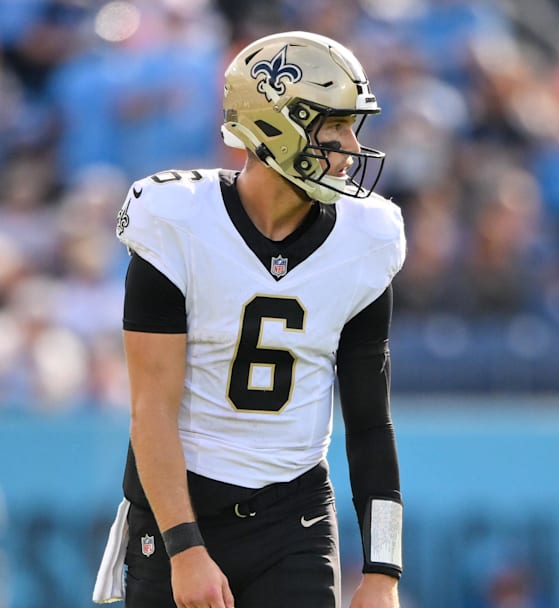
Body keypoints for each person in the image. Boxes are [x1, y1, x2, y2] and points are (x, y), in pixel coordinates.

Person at [92, 31, 406, 608]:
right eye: (335, 127)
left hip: (295, 514)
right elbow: (151, 410)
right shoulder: (177, 221)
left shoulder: (368, 237)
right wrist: (185, 550)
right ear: (275, 126)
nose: (351, 148)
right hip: (180, 507)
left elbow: (370, 423)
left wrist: (383, 571)